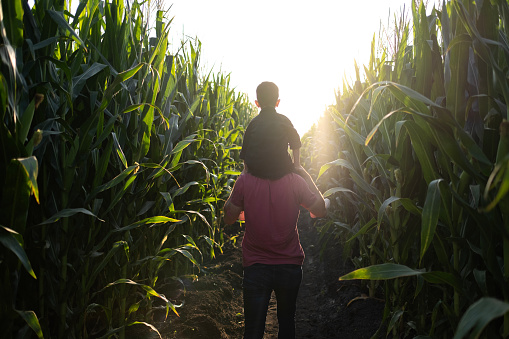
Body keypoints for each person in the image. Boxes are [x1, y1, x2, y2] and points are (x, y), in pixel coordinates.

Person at [223, 166, 327, 338]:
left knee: (253, 331)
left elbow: (228, 217)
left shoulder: (245, 181)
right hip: (289, 265)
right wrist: (304, 173)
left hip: (256, 267)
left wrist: (243, 174)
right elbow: (320, 210)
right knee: (287, 324)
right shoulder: (295, 181)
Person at [240, 81, 301, 180]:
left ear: (257, 103)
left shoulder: (253, 123)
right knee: (309, 186)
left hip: (256, 172)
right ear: (278, 102)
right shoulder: (284, 120)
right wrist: (297, 165)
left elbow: (245, 151)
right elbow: (296, 142)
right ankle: (319, 196)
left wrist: (246, 170)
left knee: (237, 190)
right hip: (283, 169)